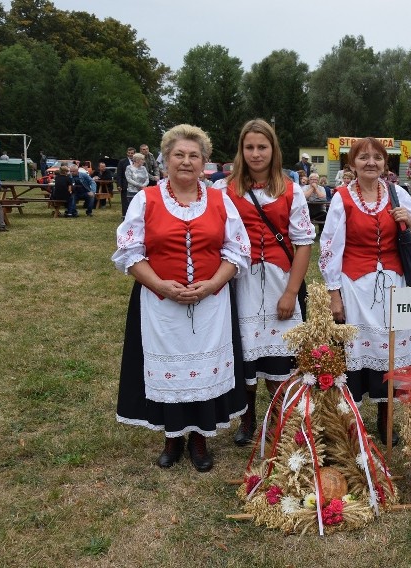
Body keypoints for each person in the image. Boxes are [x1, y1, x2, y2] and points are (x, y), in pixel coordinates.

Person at [113, 124, 251, 472]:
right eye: (179, 155)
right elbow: (129, 252)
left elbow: (237, 251)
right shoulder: (146, 199)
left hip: (211, 303)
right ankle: (172, 437)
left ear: (205, 162)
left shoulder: (221, 200)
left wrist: (211, 285)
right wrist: (160, 285)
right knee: (167, 369)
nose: (186, 161)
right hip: (160, 304)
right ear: (166, 160)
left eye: (194, 155)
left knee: (204, 367)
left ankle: (201, 438)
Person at [215, 119, 315, 446]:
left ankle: (278, 421)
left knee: (279, 357)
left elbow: (303, 244)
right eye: (250, 147)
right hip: (239, 279)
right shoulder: (223, 190)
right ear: (241, 151)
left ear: (274, 150)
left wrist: (290, 292)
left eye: (263, 147)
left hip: (278, 279)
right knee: (246, 353)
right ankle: (247, 420)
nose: (256, 154)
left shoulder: (290, 189)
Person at [319, 137, 411, 444]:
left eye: (377, 157)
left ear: (385, 163)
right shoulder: (341, 198)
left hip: (393, 285)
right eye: (363, 158)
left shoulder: (396, 193)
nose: (371, 162)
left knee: (390, 351)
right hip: (356, 287)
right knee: (357, 353)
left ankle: (386, 417)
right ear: (352, 164)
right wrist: (334, 293)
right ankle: (352, 422)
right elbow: (329, 247)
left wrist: (410, 223)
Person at [116, 147, 136, 218]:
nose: (130, 154)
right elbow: (119, 174)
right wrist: (119, 185)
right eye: (129, 153)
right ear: (127, 153)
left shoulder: (137, 161)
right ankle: (124, 216)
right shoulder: (122, 162)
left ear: (134, 154)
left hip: (135, 185)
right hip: (125, 184)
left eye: (132, 153)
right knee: (125, 201)